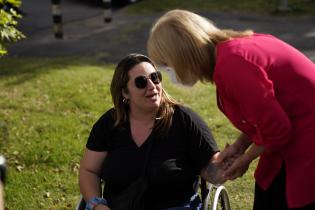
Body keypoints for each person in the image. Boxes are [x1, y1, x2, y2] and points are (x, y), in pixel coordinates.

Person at [147, 9, 315, 210]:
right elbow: (264, 115)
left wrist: (245, 160)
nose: (167, 71)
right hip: (295, 135)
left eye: (166, 64)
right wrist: (239, 146)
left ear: (183, 54)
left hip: (306, 142)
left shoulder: (233, 64)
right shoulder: (231, 53)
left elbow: (278, 130)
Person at [79, 53, 225, 210]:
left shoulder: (184, 121)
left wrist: (225, 166)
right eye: (141, 82)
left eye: (155, 77)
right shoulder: (109, 124)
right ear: (125, 92)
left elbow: (211, 171)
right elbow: (89, 171)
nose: (152, 86)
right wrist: (97, 205)